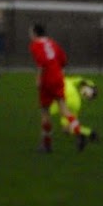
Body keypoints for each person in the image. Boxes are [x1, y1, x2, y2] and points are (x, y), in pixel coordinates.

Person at [28, 23, 68, 152]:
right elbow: (63, 60)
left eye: (30, 32)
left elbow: (41, 63)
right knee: (63, 108)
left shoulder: (35, 45)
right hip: (58, 76)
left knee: (45, 112)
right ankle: (78, 132)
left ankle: (46, 144)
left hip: (47, 79)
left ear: (35, 33)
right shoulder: (52, 42)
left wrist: (38, 79)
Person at [59, 75, 100, 150]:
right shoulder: (69, 80)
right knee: (67, 129)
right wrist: (92, 86)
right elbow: (82, 80)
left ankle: (45, 142)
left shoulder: (63, 81)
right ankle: (90, 133)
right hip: (76, 102)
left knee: (46, 111)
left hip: (65, 99)